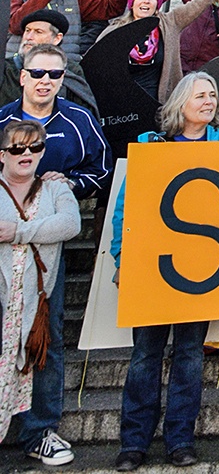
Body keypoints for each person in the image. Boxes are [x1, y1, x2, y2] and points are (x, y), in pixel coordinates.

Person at [110, 73, 219, 470]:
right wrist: (120, 257)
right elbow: (126, 208)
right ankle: (134, 443)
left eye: (212, 94)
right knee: (145, 354)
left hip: (201, 272)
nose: (209, 100)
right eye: (200, 95)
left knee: (189, 355)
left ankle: (180, 439)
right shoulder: (152, 145)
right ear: (181, 103)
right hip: (152, 266)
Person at [0, 44, 110, 467]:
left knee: (45, 338)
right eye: (38, 72)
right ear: (23, 75)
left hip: (47, 252)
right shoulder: (3, 118)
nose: (46, 80)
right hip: (3, 255)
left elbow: (100, 171)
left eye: (55, 73)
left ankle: (40, 429)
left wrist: (66, 185)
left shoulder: (78, 119)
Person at [0, 118, 78, 462]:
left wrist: (17, 231)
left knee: (46, 352)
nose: (26, 153)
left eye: (35, 147)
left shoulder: (54, 188)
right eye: (18, 147)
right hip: (2, 290)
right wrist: (39, 230)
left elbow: (70, 224)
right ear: (3, 154)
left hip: (41, 291)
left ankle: (40, 432)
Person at [102, 0, 216, 104]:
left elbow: (202, 0)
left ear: (157, 5)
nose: (146, 1)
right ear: (132, 3)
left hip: (159, 105)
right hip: (122, 104)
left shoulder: (171, 22)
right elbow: (97, 60)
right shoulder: (116, 30)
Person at [0, 11, 96, 114]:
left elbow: (81, 115)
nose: (29, 37)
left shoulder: (71, 70)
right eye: (27, 31)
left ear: (57, 38)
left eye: (38, 32)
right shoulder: (5, 68)